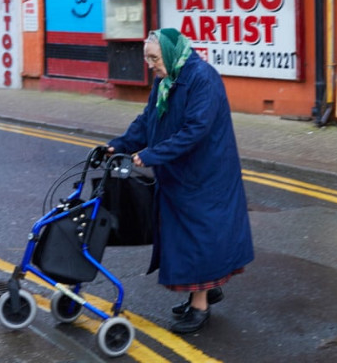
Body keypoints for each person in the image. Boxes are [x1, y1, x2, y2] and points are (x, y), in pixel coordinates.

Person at [107, 28, 254, 334]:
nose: (150, 65)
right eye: (147, 58)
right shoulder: (166, 78)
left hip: (205, 176)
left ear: (171, 54)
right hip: (179, 173)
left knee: (195, 238)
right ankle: (205, 289)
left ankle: (200, 307)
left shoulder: (203, 78)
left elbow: (195, 129)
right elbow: (149, 119)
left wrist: (152, 154)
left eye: (154, 58)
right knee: (186, 237)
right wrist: (119, 144)